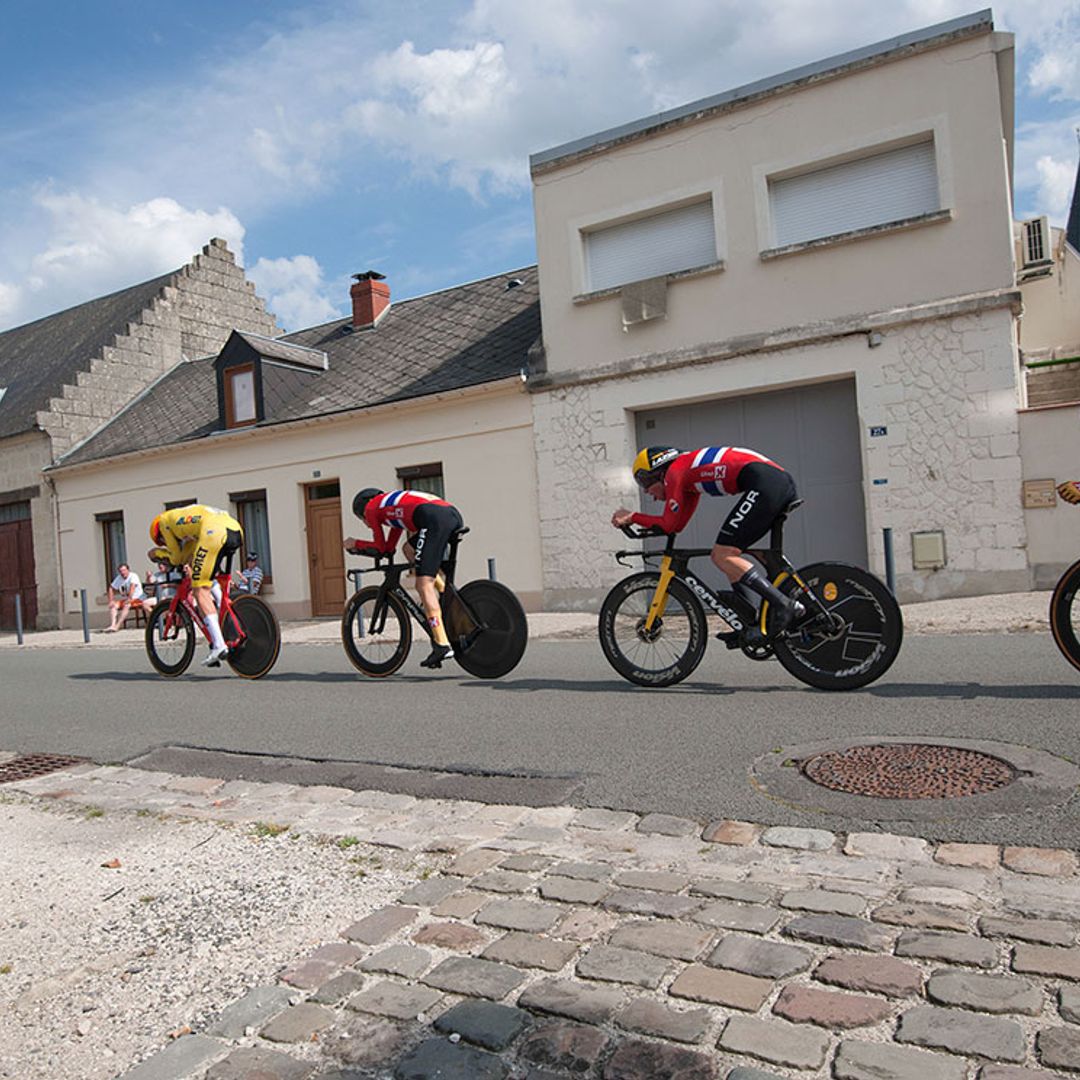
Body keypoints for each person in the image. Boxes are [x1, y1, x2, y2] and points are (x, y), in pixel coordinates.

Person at [611, 445, 805, 637]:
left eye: (644, 483)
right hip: (774, 482)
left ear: (658, 473)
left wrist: (632, 516)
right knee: (729, 557)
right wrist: (642, 522)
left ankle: (784, 604)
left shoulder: (675, 472)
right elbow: (676, 526)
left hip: (767, 484)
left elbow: (669, 524)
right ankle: (749, 623)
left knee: (722, 555)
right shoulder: (688, 480)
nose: (647, 493)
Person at [344, 487, 463, 669]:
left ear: (363, 510)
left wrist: (356, 544)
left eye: (361, 519)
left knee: (423, 585)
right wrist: (371, 549)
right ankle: (444, 593)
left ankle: (441, 644)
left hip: (433, 519)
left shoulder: (371, 508)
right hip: (450, 514)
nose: (365, 523)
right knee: (408, 549)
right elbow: (389, 548)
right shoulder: (393, 510)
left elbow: (380, 547)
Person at [148, 504, 242, 666]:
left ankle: (219, 645)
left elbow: (177, 558)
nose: (165, 544)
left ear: (159, 534)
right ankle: (224, 610)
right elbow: (188, 555)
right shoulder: (184, 524)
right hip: (234, 529)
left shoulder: (164, 523)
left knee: (200, 590)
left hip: (213, 532)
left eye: (163, 542)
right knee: (207, 577)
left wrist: (156, 553)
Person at [104, 563, 145, 632]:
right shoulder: (119, 578)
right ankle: (112, 625)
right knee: (113, 605)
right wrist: (111, 600)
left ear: (128, 570)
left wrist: (129, 599)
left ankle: (118, 626)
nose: (123, 573)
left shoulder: (133, 576)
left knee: (127, 605)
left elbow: (132, 587)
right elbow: (111, 588)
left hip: (138, 598)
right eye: (121, 571)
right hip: (127, 599)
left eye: (124, 570)